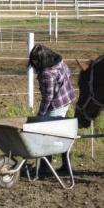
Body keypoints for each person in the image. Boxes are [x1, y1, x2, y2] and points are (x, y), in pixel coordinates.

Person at [28, 43, 76, 173]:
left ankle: (45, 166)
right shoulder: (59, 62)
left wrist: (41, 114)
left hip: (57, 104)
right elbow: (69, 73)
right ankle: (65, 165)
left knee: (48, 134)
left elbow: (48, 97)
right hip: (67, 99)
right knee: (60, 133)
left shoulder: (46, 73)